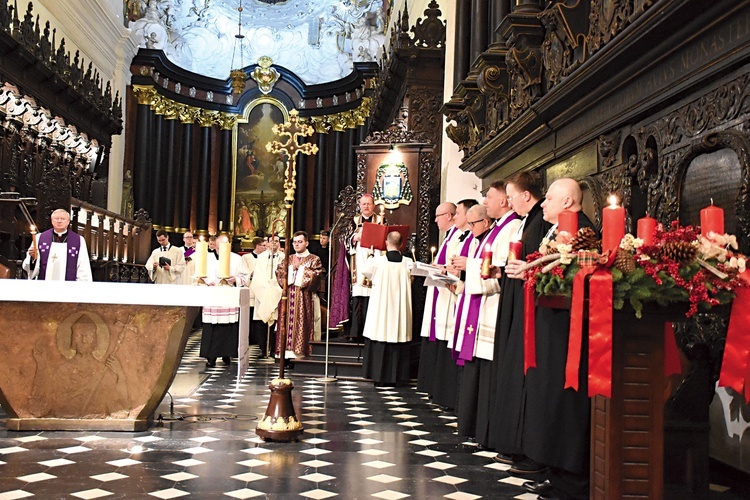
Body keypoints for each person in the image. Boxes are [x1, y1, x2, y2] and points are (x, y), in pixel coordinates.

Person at [519, 178, 597, 500]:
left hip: (568, 330)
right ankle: (554, 472)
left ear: (567, 202)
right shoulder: (558, 228)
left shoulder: (583, 233)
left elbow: (580, 279)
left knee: (565, 403)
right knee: (550, 401)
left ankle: (570, 482)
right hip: (551, 326)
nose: (543, 204)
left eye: (549, 198)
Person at [488, 171, 551, 471]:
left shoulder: (538, 222)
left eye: (511, 195)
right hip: (517, 300)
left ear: (526, 195)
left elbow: (540, 264)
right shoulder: (529, 221)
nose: (509, 201)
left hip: (530, 309)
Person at [451, 193, 520, 442]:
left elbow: (498, 271)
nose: (485, 199)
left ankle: (483, 429)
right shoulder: (496, 230)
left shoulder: (510, 228)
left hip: (491, 306)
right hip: (480, 304)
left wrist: (468, 266)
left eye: (489, 196)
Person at [431, 199, 477, 411]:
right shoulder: (463, 237)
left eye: (458, 213)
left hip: (465, 294)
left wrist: (451, 274)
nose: (457, 217)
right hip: (456, 291)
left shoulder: (468, 238)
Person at [361, 231, 413, 386]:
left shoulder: (377, 261)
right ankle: (398, 377)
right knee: (398, 336)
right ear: (402, 245)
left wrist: (370, 255)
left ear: (386, 243)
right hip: (400, 308)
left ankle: (378, 376)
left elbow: (365, 271)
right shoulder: (408, 262)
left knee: (380, 334)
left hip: (381, 308)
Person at [416, 201, 458, 396]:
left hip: (450, 293)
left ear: (449, 216)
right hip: (440, 292)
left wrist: (440, 269)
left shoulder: (457, 236)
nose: (435, 220)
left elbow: (453, 267)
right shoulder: (449, 236)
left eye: (438, 216)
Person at [200, 234, 248, 368]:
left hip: (228, 296)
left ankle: (227, 353)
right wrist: (206, 281)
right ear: (215, 244)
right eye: (222, 244)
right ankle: (211, 356)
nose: (224, 247)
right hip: (212, 297)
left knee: (227, 326)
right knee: (211, 326)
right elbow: (200, 274)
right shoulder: (207, 258)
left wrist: (235, 279)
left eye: (227, 244)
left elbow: (245, 276)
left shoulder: (237, 259)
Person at [275, 231, 323, 360]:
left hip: (304, 299)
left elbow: (316, 277)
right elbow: (280, 274)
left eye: (300, 242)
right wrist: (291, 269)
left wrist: (300, 269)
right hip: (288, 298)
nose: (296, 244)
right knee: (285, 323)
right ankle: (284, 355)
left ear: (306, 243)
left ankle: (300, 354)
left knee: (302, 324)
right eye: (294, 242)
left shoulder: (314, 259)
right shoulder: (288, 258)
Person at [348, 193, 386, 342]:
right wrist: (354, 238)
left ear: (373, 205)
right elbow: (346, 239)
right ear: (359, 205)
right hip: (358, 259)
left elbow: (386, 238)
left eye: (368, 204)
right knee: (358, 297)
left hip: (374, 256)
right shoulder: (354, 220)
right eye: (363, 204)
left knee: (371, 297)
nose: (366, 206)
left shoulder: (381, 219)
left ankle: (370, 332)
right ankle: (356, 332)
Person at [23, 208, 92, 281]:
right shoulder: (39, 238)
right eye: (56, 218)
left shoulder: (78, 240)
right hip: (44, 285)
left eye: (63, 219)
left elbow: (83, 265)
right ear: (52, 221)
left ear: (68, 221)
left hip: (69, 287)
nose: (59, 221)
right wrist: (33, 258)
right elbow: (30, 266)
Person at [250, 235, 284, 358]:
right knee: (262, 321)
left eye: (277, 241)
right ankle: (263, 348)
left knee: (277, 321)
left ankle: (275, 348)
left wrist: (276, 290)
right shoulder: (261, 258)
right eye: (271, 241)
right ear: (267, 243)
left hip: (277, 293)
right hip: (263, 294)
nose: (274, 244)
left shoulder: (284, 257)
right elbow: (258, 277)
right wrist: (266, 292)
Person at [242, 237, 266, 352]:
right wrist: (251, 274)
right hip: (251, 288)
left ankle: (260, 340)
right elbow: (243, 272)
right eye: (263, 245)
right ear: (257, 246)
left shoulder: (266, 257)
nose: (265, 248)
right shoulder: (246, 257)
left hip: (262, 290)